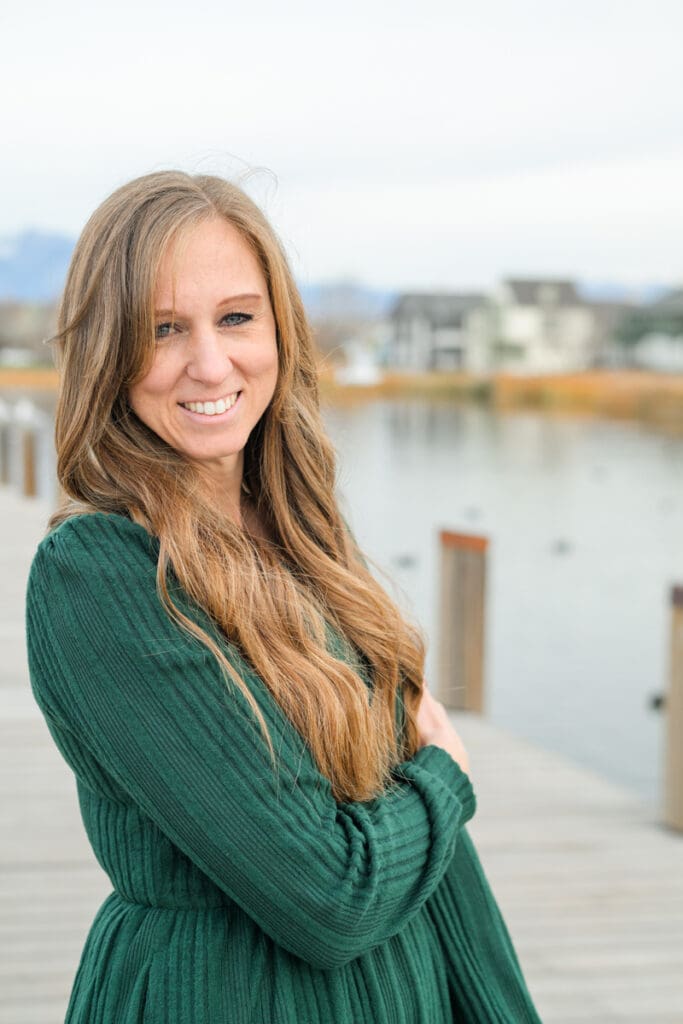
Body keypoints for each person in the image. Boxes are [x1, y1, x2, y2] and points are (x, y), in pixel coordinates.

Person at [26, 170, 542, 1023]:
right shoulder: (100, 574)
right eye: (163, 329)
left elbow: (438, 866)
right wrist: (444, 780)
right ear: (108, 353)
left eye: (236, 317)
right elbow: (330, 898)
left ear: (279, 330)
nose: (209, 361)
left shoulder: (302, 535)